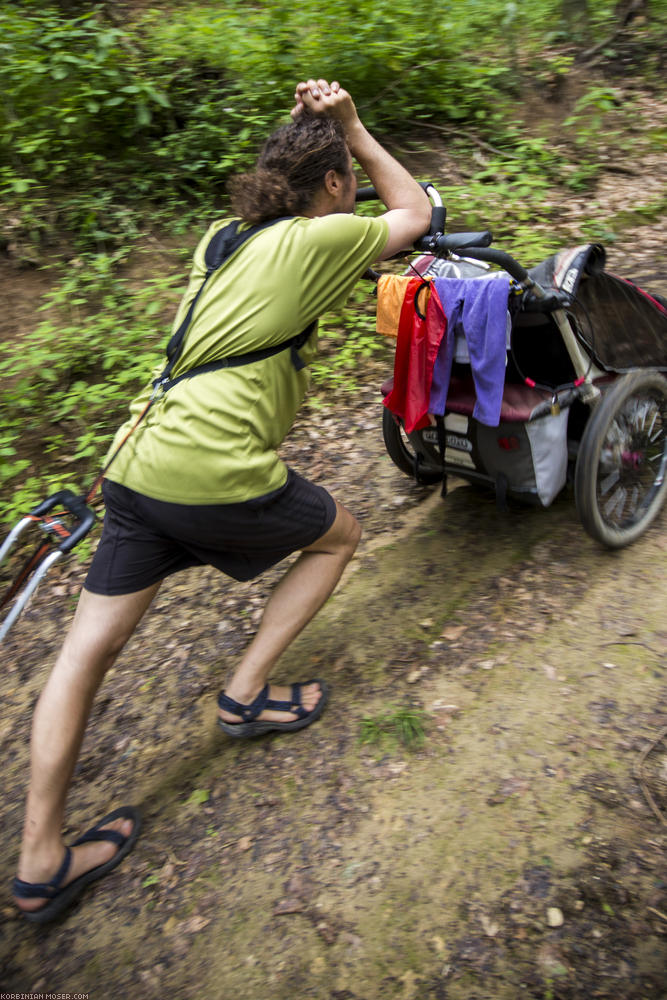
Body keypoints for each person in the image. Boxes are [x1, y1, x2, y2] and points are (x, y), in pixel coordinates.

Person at [12, 78, 431, 922]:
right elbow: (417, 211)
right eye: (344, 174)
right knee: (337, 538)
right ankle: (245, 693)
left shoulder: (220, 238)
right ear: (332, 186)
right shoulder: (319, 238)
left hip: (137, 457)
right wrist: (354, 128)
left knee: (82, 656)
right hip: (209, 469)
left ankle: (39, 861)